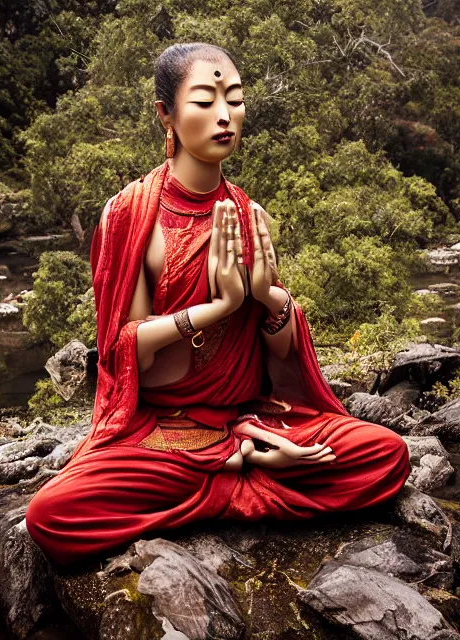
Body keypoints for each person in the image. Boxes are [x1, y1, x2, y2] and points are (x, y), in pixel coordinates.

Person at [25, 42, 411, 567]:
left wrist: (267, 299)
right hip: (166, 430)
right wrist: (217, 308)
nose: (225, 115)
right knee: (51, 514)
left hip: (249, 417)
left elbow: (278, 356)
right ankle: (243, 476)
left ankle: (222, 481)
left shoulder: (250, 215)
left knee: (386, 455)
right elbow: (124, 353)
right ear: (166, 114)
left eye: (235, 99)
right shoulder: (131, 214)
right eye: (205, 100)